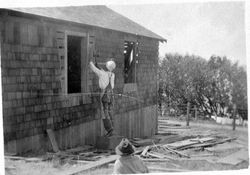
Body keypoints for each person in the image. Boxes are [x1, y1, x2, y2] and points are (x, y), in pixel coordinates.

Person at [90, 59, 116, 137]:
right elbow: (103, 71)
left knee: (105, 113)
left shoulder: (103, 74)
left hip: (105, 94)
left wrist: (91, 62)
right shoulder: (112, 74)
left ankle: (109, 129)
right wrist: (98, 65)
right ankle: (112, 129)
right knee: (109, 111)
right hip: (111, 94)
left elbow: (94, 69)